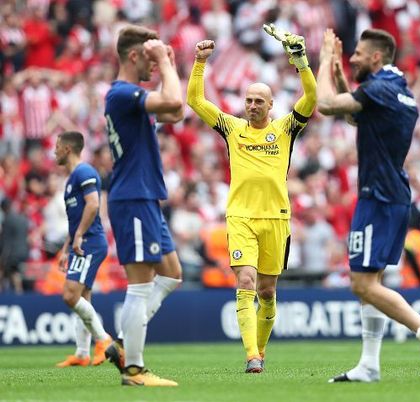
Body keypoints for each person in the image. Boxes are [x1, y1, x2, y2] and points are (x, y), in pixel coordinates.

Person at [316, 28, 420, 382]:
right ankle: (369, 365)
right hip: (392, 194)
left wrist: (324, 59)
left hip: (377, 197)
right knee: (370, 280)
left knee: (362, 285)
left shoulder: (379, 89)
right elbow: (356, 113)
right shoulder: (396, 90)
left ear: (376, 57)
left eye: (358, 54)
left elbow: (328, 106)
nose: (353, 58)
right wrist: (341, 74)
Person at [187, 24, 316, 373]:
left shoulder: (286, 128)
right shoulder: (231, 128)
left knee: (268, 292)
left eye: (259, 101)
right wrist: (200, 62)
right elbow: (196, 101)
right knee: (245, 281)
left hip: (276, 218)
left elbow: (312, 99)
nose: (252, 105)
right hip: (241, 216)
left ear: (272, 106)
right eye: (248, 100)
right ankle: (251, 355)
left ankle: (259, 348)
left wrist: (301, 61)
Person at [104, 25, 184, 386]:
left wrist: (169, 63)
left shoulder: (132, 97)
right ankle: (133, 369)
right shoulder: (122, 94)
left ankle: (123, 343)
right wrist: (165, 61)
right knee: (139, 285)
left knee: (171, 274)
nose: (154, 67)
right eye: (149, 59)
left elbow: (176, 113)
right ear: (133, 56)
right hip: (133, 196)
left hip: (145, 195)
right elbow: (173, 102)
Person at [54, 131, 112, 367]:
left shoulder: (85, 172)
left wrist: (78, 237)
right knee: (83, 298)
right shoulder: (71, 179)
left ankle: (104, 341)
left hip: (90, 242)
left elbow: (94, 204)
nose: (54, 151)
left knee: (70, 295)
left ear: (68, 149)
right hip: (81, 242)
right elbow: (76, 219)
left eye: (57, 147)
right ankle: (81, 353)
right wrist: (66, 247)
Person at [0, 197, 29, 293]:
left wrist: (3, 258)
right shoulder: (22, 218)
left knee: (5, 272)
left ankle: (5, 296)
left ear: (3, 208)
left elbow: (5, 242)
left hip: (12, 254)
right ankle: (18, 293)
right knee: (15, 273)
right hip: (24, 252)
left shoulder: (7, 220)